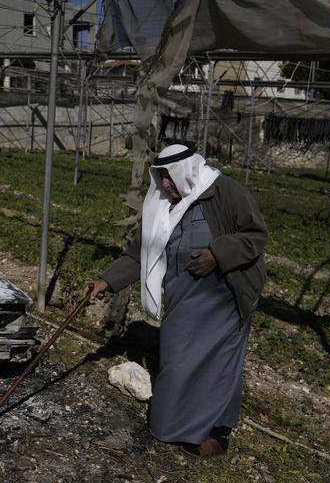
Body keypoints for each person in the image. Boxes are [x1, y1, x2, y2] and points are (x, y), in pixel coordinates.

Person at [85, 143, 268, 458]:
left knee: (219, 364)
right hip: (184, 298)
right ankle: (174, 424)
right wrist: (107, 280)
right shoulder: (160, 204)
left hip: (223, 297)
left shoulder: (225, 192)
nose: (165, 184)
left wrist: (216, 254)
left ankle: (216, 431)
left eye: (169, 176)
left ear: (186, 171)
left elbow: (255, 236)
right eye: (161, 176)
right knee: (178, 360)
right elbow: (139, 254)